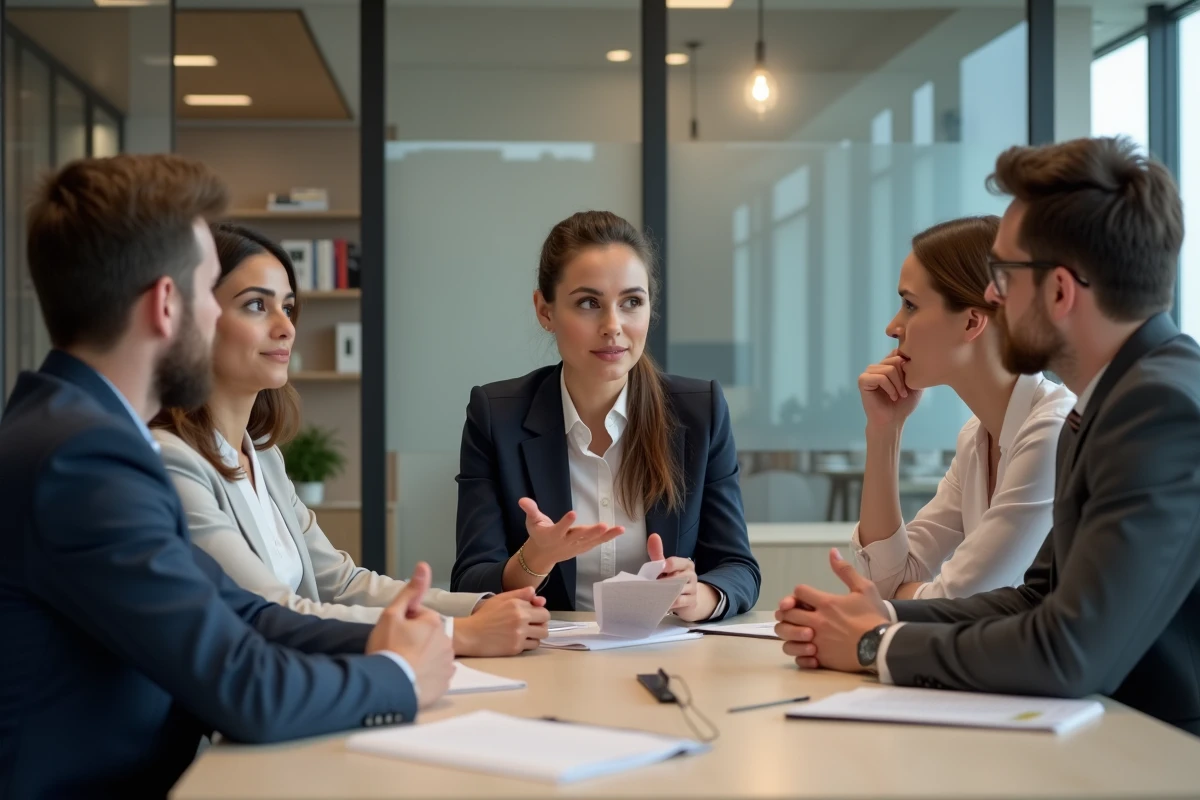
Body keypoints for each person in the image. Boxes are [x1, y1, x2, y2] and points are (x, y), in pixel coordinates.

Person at [0, 155, 454, 797]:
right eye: (209, 293)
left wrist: (382, 636)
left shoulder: (84, 432)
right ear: (165, 304)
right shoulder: (82, 460)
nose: (218, 321)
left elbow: (240, 611)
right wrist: (400, 678)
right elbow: (243, 686)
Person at [775, 136, 1200, 736]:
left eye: (1003, 274)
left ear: (1059, 290)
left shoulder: (1158, 410)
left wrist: (877, 645)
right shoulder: (1111, 401)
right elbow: (1037, 599)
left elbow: (1069, 650)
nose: (992, 294)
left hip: (1164, 753)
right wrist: (884, 614)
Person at [151, 224, 549, 657]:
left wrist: (482, 606)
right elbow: (273, 611)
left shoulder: (262, 456)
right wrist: (457, 634)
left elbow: (340, 584)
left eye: (287, 307)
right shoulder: (173, 460)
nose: (286, 327)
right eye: (255, 305)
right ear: (196, 319)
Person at [452, 210, 760, 621]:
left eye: (632, 302)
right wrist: (534, 560)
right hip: (548, 660)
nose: (613, 326)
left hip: (669, 654)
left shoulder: (699, 409)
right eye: (588, 303)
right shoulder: (495, 416)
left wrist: (696, 594)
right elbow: (470, 583)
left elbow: (739, 568)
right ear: (545, 311)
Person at [851, 216, 1075, 600]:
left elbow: (961, 601)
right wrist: (884, 431)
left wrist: (908, 596)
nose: (892, 326)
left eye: (910, 305)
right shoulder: (976, 437)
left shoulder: (1052, 431)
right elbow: (882, 585)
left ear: (972, 321)